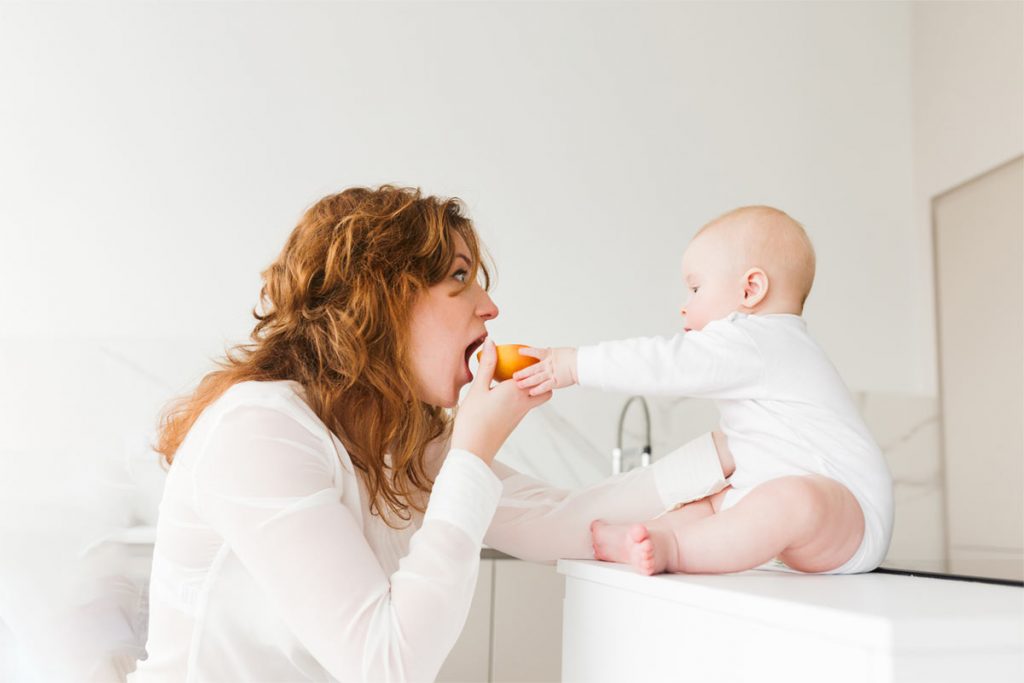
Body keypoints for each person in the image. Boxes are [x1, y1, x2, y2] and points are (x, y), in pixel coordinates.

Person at [128, 185, 737, 682]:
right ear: (384, 300)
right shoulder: (260, 431)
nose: (490, 307)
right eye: (460, 277)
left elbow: (563, 520)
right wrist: (473, 448)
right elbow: (388, 666)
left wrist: (727, 456)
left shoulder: (397, 439)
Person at [514, 205, 894, 576]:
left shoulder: (763, 339)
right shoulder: (764, 347)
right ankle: (644, 538)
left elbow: (664, 364)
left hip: (851, 518)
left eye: (696, 288)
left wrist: (572, 364)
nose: (685, 306)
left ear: (751, 289)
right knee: (711, 505)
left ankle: (676, 549)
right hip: (782, 511)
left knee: (795, 499)